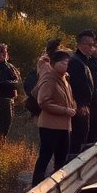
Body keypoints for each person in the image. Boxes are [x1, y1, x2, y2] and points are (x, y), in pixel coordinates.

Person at [31, 50, 76, 185]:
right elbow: (43, 102)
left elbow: (70, 99)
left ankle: (58, 185)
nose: (66, 66)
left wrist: (73, 107)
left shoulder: (64, 78)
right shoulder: (49, 79)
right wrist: (65, 110)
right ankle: (37, 186)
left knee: (62, 158)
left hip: (64, 125)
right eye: (63, 63)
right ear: (53, 64)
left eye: (67, 63)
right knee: (45, 157)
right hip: (50, 126)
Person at [0, 43, 21, 140]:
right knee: (5, 121)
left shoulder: (8, 65)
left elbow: (18, 79)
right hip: (3, 97)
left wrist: (16, 83)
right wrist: (15, 83)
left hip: (9, 97)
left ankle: (0, 142)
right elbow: (2, 82)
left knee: (7, 121)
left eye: (3, 52)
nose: (1, 54)